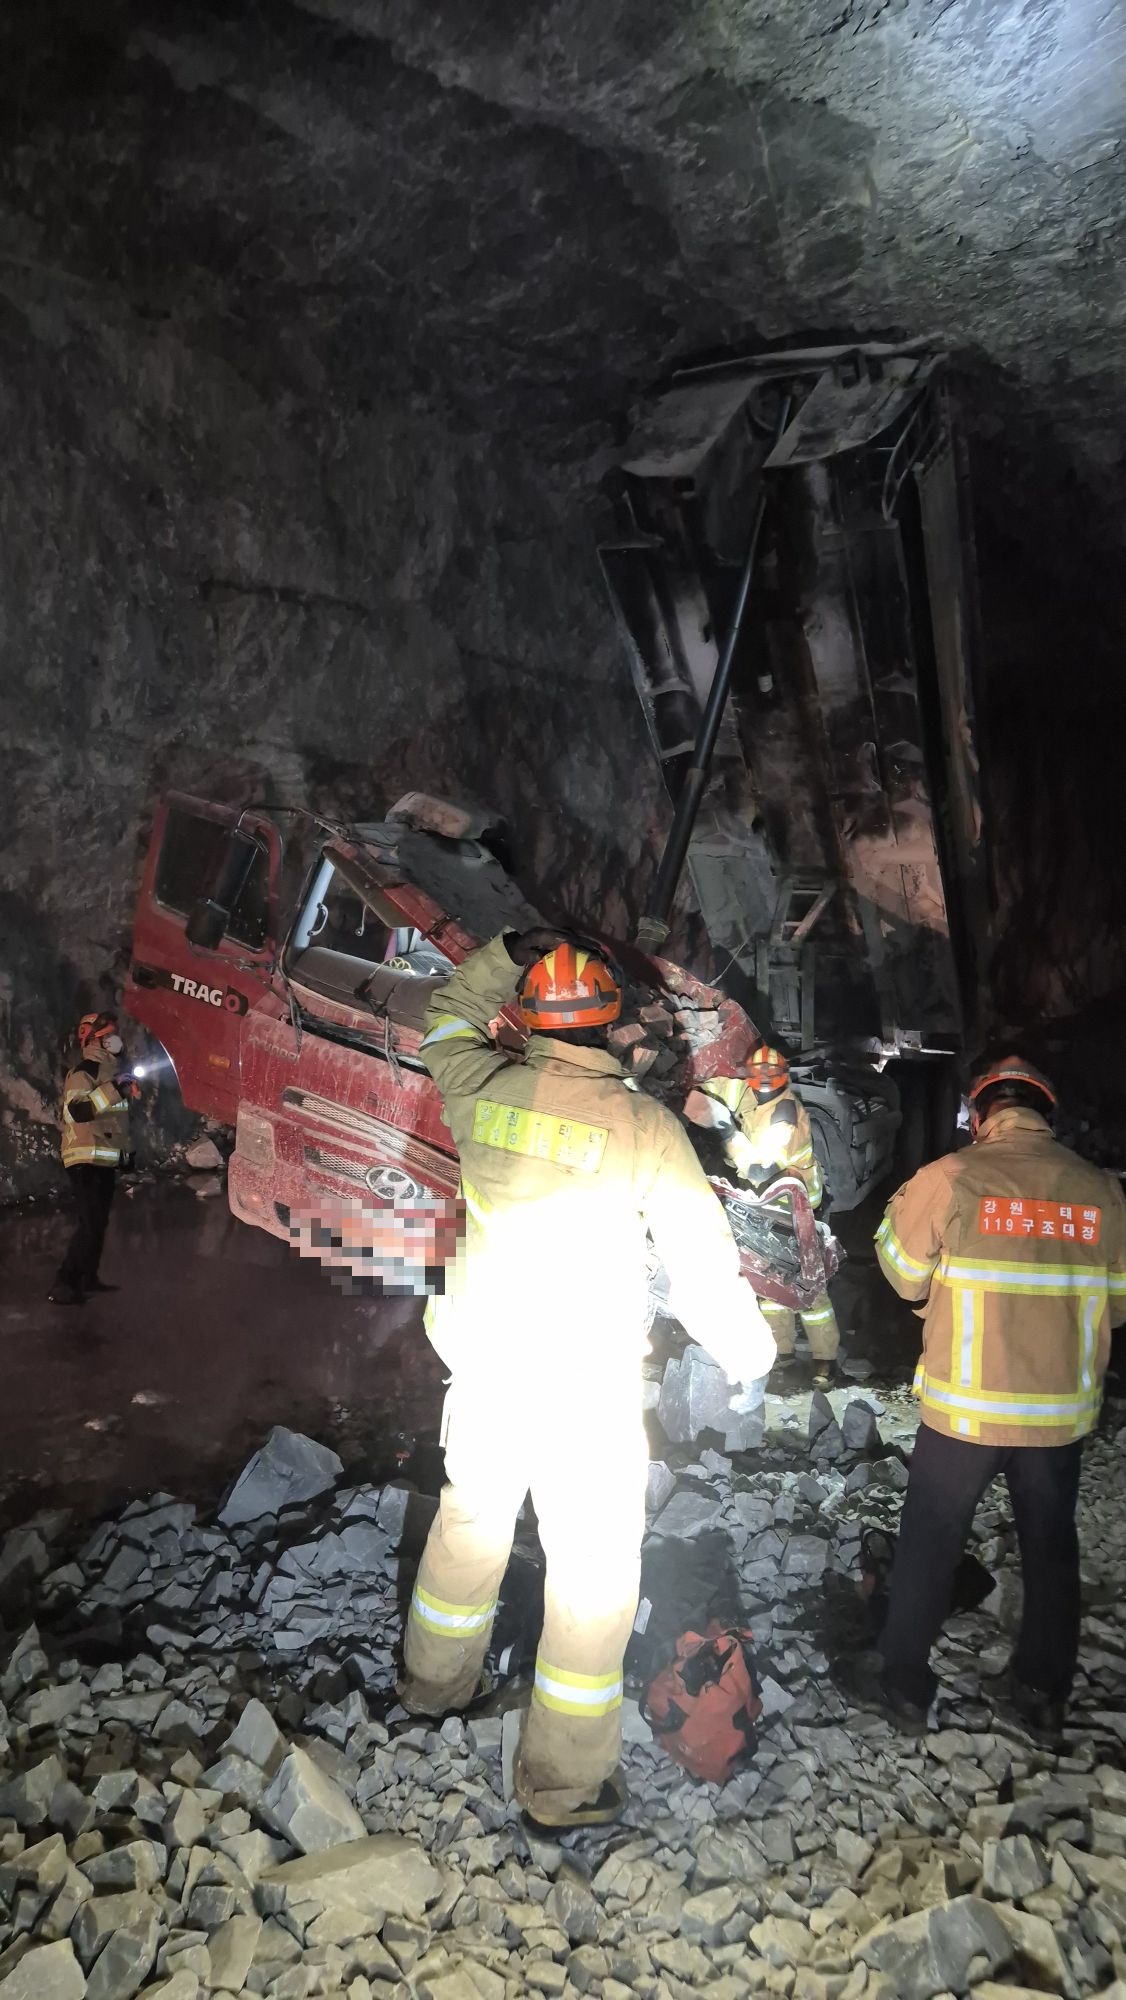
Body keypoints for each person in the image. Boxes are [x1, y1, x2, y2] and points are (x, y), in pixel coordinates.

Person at [399, 928, 776, 1828]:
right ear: (609, 1023)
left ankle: (432, 1688)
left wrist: (507, 949)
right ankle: (563, 1784)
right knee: (592, 1575)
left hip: (488, 1366)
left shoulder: (478, 1086)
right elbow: (702, 1269)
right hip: (582, 1386)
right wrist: (750, 1360)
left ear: (528, 1017)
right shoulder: (643, 1128)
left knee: (469, 1526)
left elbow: (445, 1018)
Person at [837, 1055, 1126, 1734]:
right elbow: (1116, 1306)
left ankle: (903, 1686)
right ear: (1045, 1114)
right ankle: (1042, 1694)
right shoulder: (1103, 1193)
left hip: (965, 1411)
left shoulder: (951, 1178)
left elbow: (903, 1276)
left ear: (981, 1113)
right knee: (1050, 1548)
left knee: (931, 1542)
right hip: (1056, 1416)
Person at [701, 1044, 839, 1389]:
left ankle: (825, 1361)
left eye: (769, 1076)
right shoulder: (749, 1094)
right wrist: (695, 1090)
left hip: (797, 1208)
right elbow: (721, 1088)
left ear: (782, 1079)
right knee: (770, 1282)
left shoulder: (785, 1114)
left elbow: (761, 1169)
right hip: (766, 1206)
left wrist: (727, 1131)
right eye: (757, 1075)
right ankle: (782, 1355)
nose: (762, 1082)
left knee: (809, 1285)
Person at [49, 1012, 135, 1306]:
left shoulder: (111, 1073)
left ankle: (88, 1278)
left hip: (103, 1158)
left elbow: (116, 1124)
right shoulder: (82, 1072)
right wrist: (114, 1089)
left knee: (98, 1223)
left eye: (114, 1035)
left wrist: (125, 1155)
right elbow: (79, 1110)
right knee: (90, 1224)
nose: (114, 1040)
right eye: (108, 1036)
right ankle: (64, 1284)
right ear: (94, 1039)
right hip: (84, 1158)